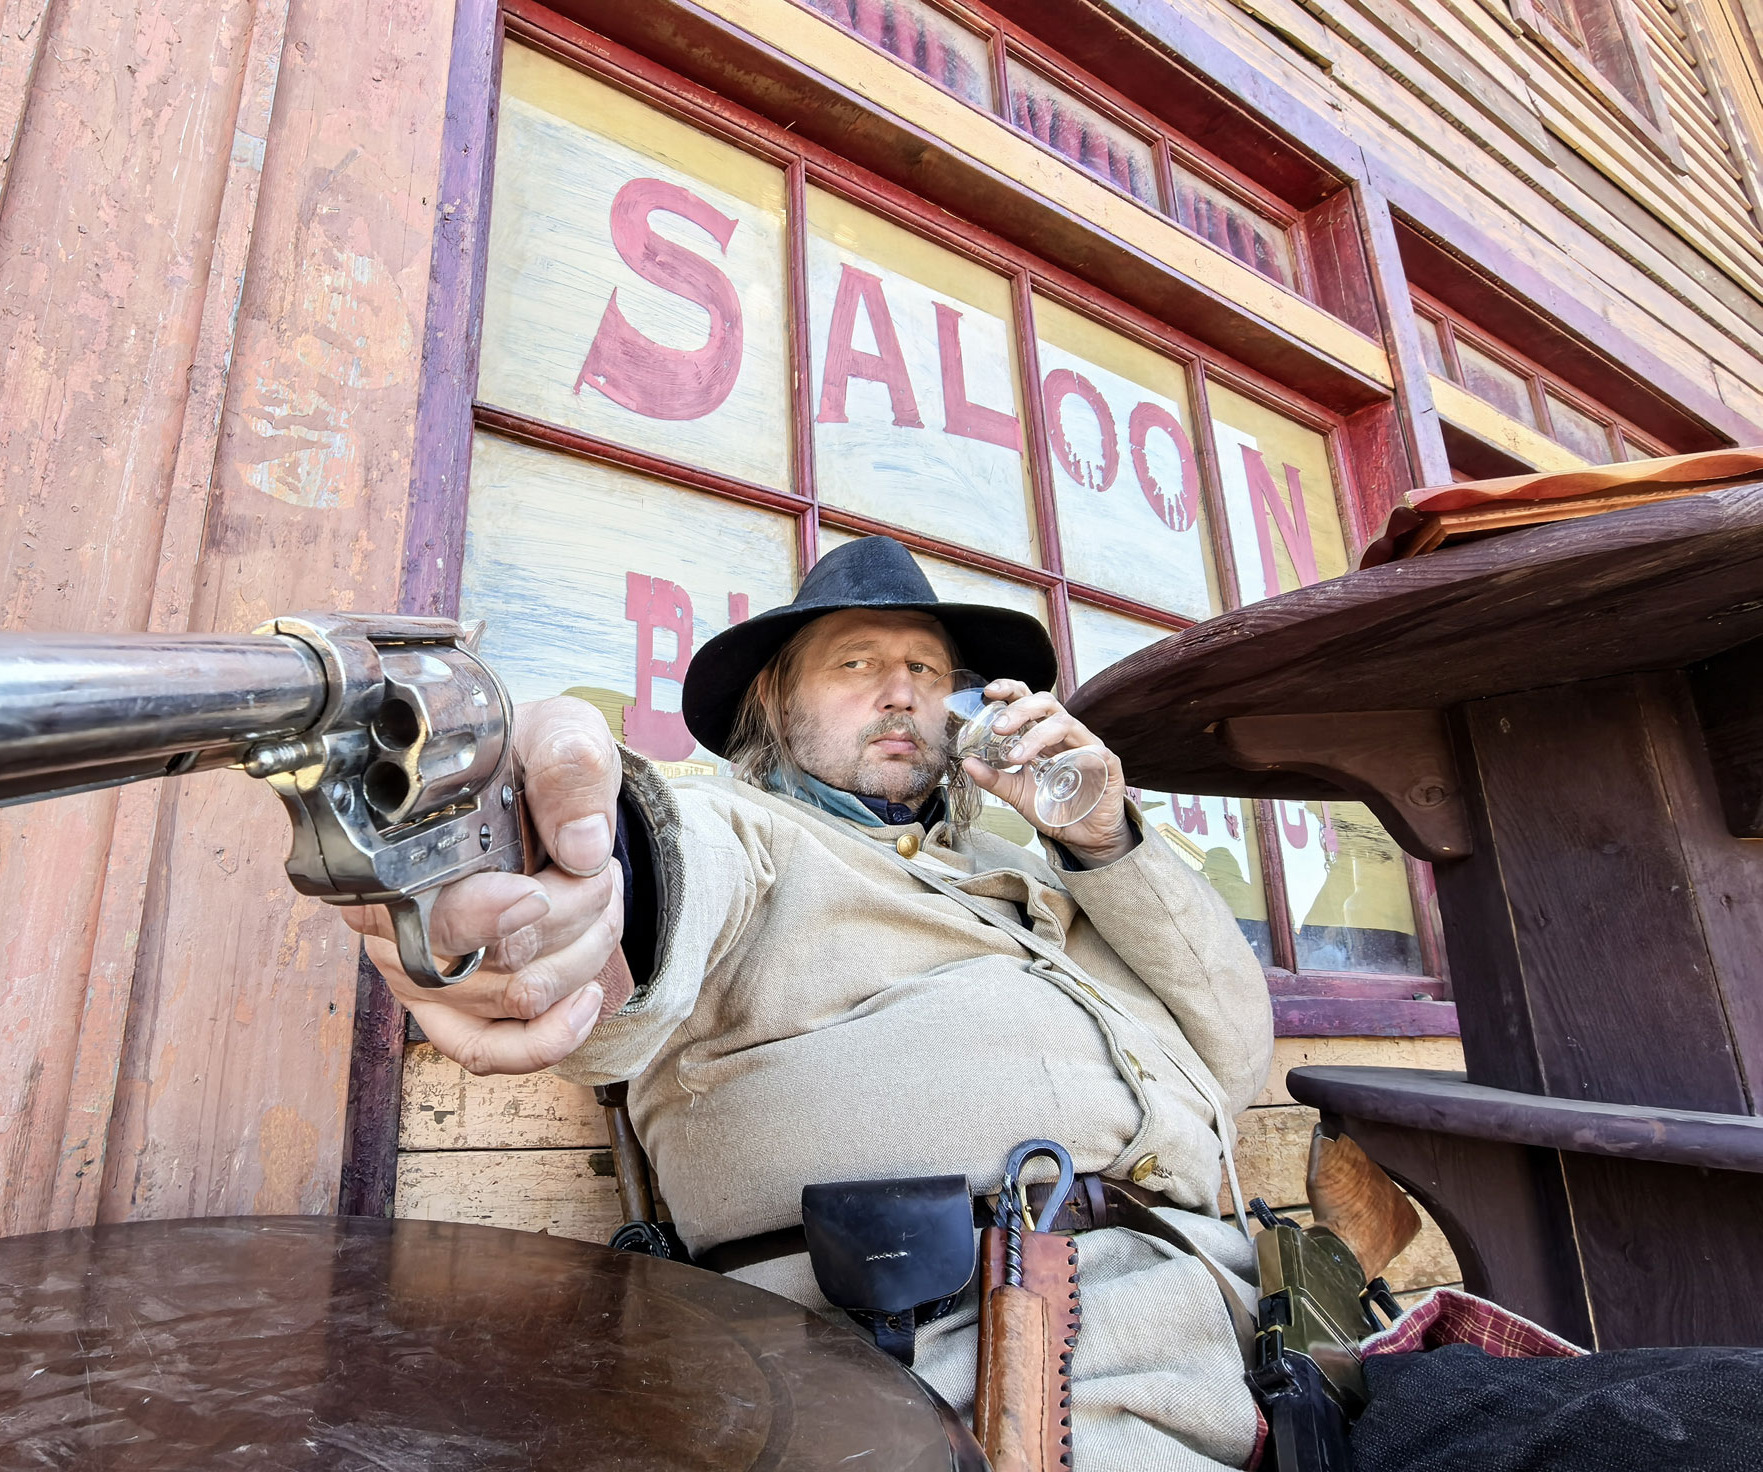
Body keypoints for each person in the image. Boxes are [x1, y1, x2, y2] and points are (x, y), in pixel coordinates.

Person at [340, 535, 1275, 1471]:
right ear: (774, 704)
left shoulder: (1028, 869)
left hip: (1247, 1339)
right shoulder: (747, 831)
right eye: (856, 664)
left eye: (924, 669)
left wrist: (1105, 846)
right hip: (975, 1382)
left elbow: (1233, 1051)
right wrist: (565, 868)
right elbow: (657, 871)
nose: (901, 691)